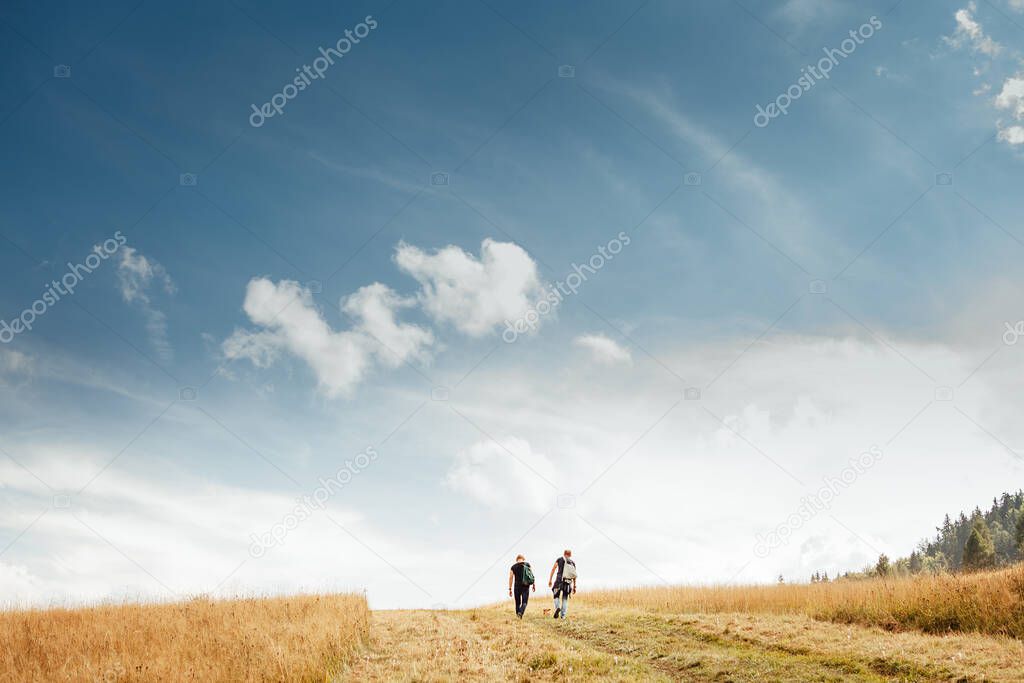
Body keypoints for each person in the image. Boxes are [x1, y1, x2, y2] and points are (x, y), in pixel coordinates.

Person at [547, 549, 576, 619]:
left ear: (564, 553)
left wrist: (550, 580)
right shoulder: (572, 563)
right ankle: (563, 616)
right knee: (565, 599)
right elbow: (574, 575)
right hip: (568, 582)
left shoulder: (560, 559)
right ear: (570, 555)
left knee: (556, 595)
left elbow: (553, 569)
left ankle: (557, 608)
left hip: (559, 581)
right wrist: (574, 586)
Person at [508, 554, 535, 618]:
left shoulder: (513, 567)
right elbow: (531, 575)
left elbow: (510, 577)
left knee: (517, 603)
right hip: (525, 586)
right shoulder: (527, 564)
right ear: (523, 559)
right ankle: (521, 613)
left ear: (517, 559)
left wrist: (510, 588)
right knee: (524, 602)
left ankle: (518, 616)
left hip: (516, 586)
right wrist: (533, 584)